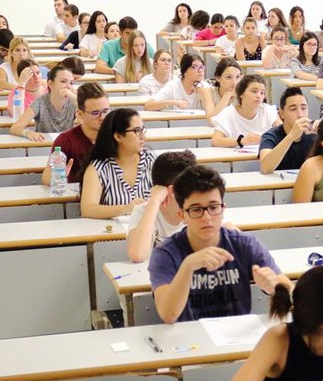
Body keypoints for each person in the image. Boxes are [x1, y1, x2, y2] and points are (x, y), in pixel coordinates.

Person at [150, 165, 290, 323]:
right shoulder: (166, 253)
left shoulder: (245, 244)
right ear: (182, 215)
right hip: (190, 336)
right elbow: (168, 315)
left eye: (213, 207)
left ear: (223, 209)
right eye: (196, 210)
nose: (207, 217)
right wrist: (188, 266)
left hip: (237, 334)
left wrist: (274, 287)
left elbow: (289, 290)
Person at [82, 109, 155, 219]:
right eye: (136, 131)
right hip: (112, 229)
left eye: (143, 129)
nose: (143, 136)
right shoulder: (98, 169)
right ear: (118, 136)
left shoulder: (152, 161)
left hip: (148, 228)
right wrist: (125, 209)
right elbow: (88, 209)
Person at [127, 150, 197, 263]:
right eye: (192, 185)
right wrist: (154, 201)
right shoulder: (144, 210)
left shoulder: (200, 209)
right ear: (172, 191)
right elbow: (137, 255)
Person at [44, 82, 110, 187]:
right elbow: (46, 178)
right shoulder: (65, 141)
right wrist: (58, 176)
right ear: (80, 114)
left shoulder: (118, 137)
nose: (102, 117)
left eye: (106, 111)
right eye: (95, 113)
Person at [10, 64, 76, 141]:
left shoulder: (74, 101)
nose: (68, 86)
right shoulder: (40, 102)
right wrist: (28, 133)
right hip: (45, 144)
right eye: (63, 81)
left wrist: (75, 98)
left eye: (71, 83)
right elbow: (15, 128)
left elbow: (86, 124)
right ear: (50, 84)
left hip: (67, 144)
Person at [211, 74, 280, 148]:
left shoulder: (268, 111)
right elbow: (215, 141)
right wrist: (241, 141)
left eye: (262, 93)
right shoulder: (228, 113)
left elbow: (283, 134)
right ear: (241, 94)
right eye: (254, 91)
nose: (259, 96)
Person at [259, 87, 315, 173]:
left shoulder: (314, 135)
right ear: (281, 113)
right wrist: (291, 136)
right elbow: (265, 168)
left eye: (303, 108)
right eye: (293, 109)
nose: (300, 114)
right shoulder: (271, 136)